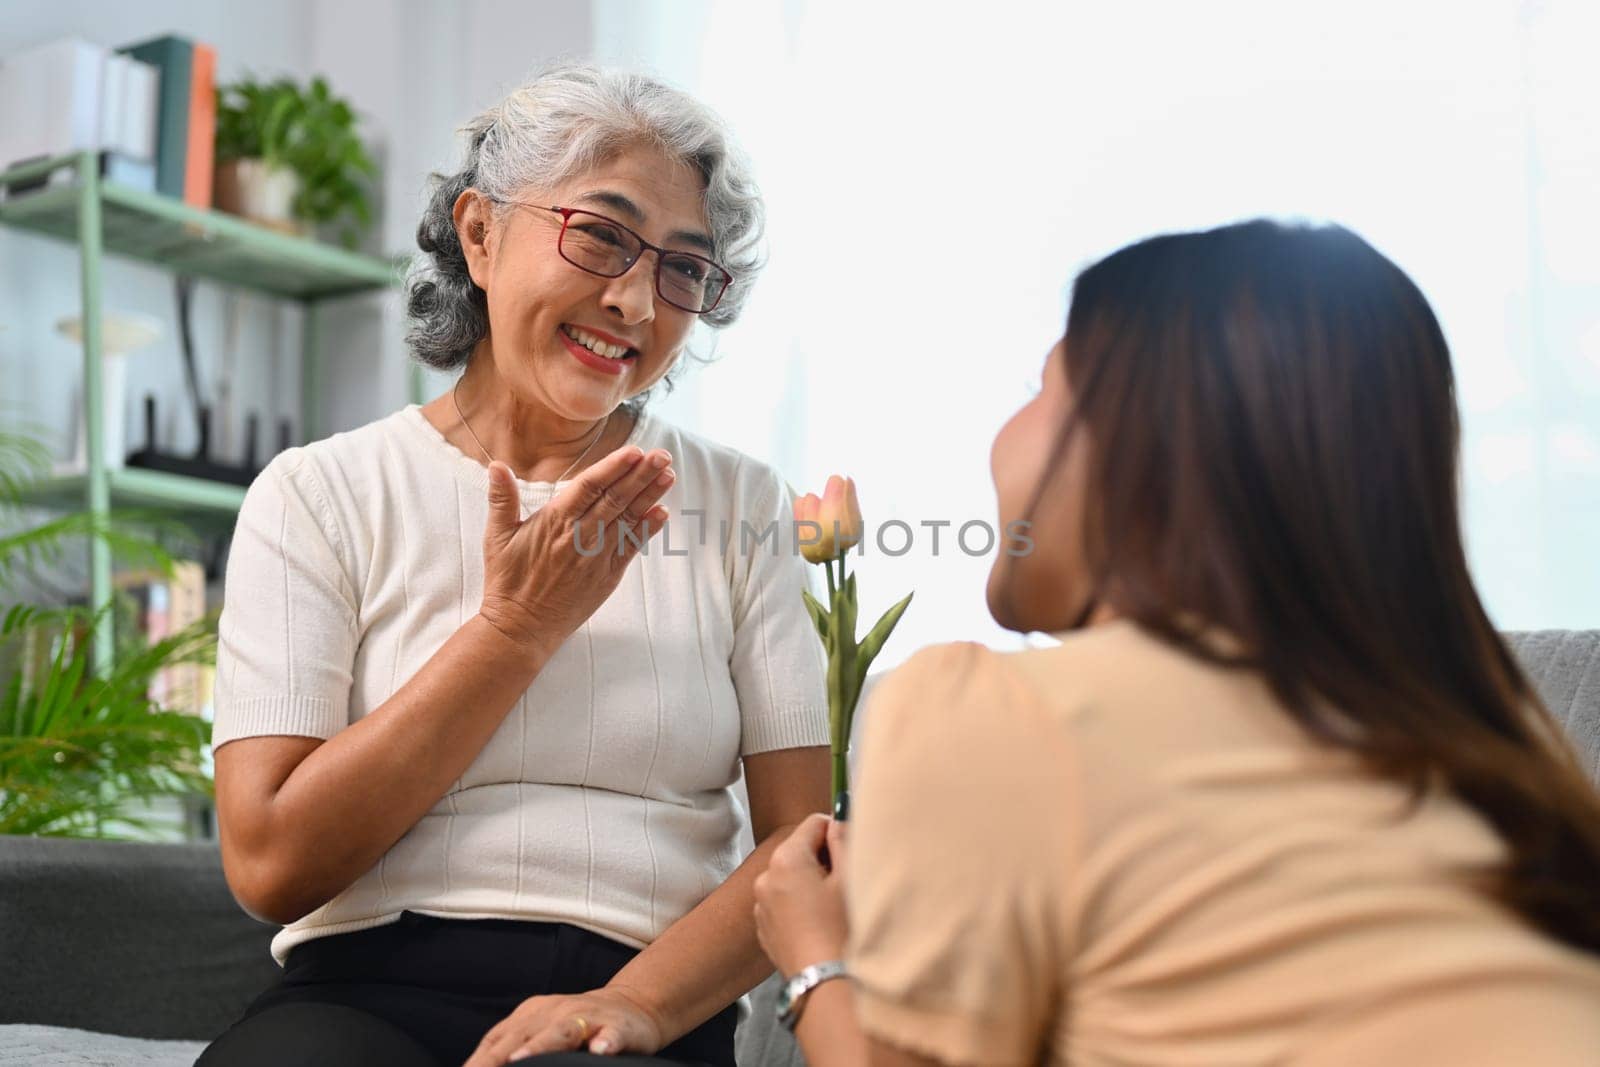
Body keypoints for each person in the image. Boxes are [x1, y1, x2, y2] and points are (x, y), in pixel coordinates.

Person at [753, 219, 1600, 1065]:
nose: (1002, 431)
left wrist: (816, 957)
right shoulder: (1511, 756)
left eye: (1040, 384)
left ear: (1137, 442)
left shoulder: (988, 710)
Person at [197, 64, 829, 1067]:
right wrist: (514, 630)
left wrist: (635, 1004)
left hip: (639, 1006)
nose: (633, 300)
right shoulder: (320, 492)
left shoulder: (742, 504)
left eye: (681, 269)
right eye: (602, 234)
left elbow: (803, 853)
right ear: (481, 233)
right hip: (365, 992)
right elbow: (270, 860)